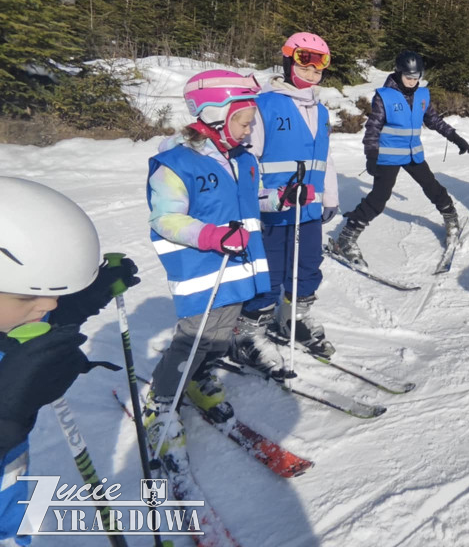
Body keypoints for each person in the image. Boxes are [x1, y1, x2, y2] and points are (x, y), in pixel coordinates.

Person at [0, 177, 139, 545]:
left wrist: (89, 293)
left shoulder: (13, 317)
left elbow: (50, 315)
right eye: (30, 296)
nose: (47, 307)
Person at [145, 69, 271, 471]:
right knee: (194, 338)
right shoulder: (175, 164)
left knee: (219, 337)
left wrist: (285, 196)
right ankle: (160, 403)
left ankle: (197, 380)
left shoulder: (244, 160)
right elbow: (165, 219)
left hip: (238, 269)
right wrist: (211, 236)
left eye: (252, 121)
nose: (251, 128)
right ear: (215, 114)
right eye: (244, 120)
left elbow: (253, 201)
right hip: (204, 268)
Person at [234, 32, 340, 360]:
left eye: (318, 66)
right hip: (273, 210)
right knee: (269, 272)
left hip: (307, 209)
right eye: (304, 63)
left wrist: (329, 196)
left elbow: (324, 157)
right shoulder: (265, 104)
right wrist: (265, 198)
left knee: (308, 266)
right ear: (288, 61)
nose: (311, 72)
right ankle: (245, 334)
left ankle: (292, 319)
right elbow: (248, 162)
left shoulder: (320, 111)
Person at [332, 50, 469, 268]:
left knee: (432, 186)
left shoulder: (423, 95)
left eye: (417, 78)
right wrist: (371, 155)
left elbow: (433, 120)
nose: (413, 82)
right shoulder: (384, 96)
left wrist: (455, 137)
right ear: (398, 73)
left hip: (413, 153)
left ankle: (451, 218)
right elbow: (373, 127)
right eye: (409, 77)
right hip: (388, 155)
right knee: (379, 197)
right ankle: (346, 237)